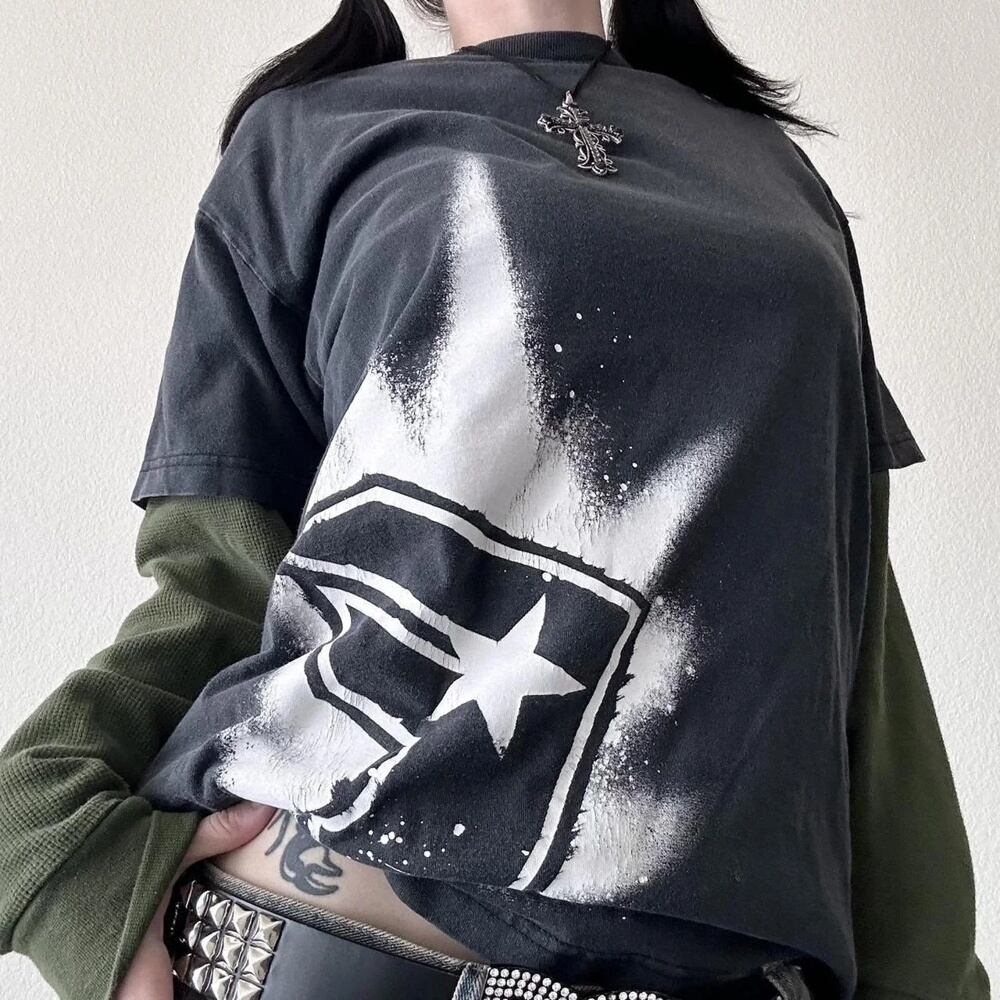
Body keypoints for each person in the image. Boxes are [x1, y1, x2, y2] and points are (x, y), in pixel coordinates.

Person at [0, 1, 991, 999]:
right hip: (313, 939)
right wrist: (44, 847)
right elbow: (218, 580)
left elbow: (846, 621)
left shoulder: (774, 173)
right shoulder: (304, 140)